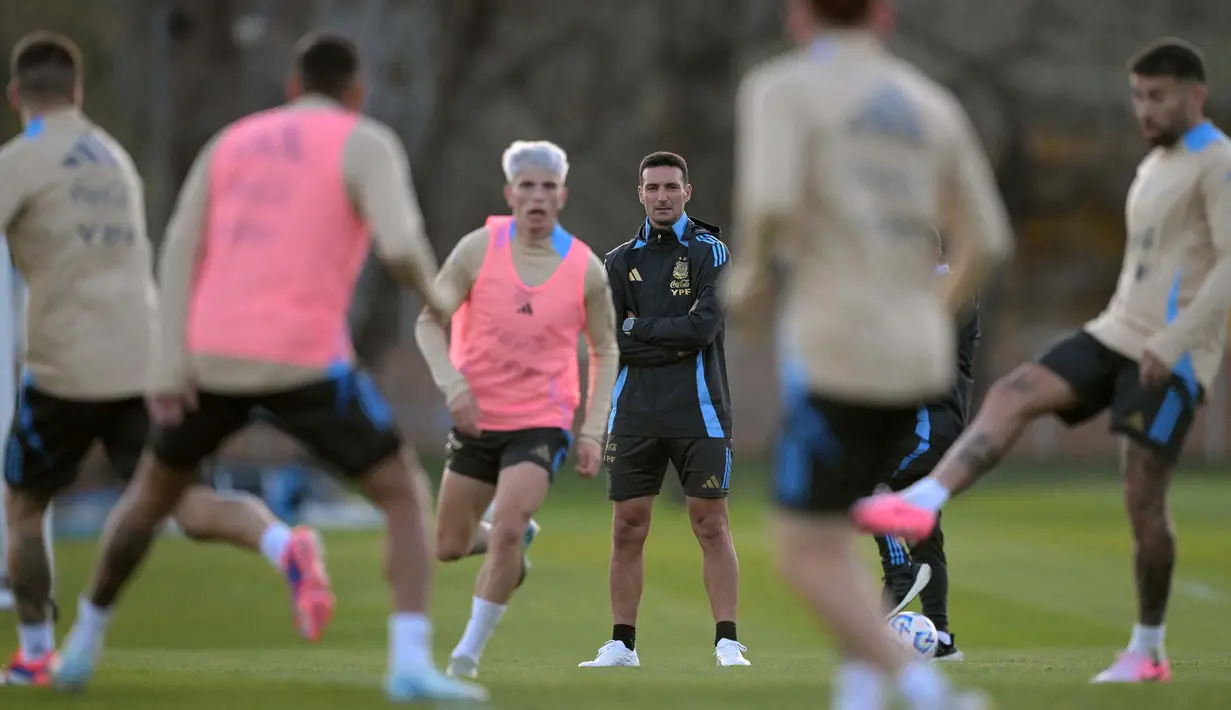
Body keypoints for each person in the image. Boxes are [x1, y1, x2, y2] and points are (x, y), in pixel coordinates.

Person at [49, 32, 486, 703]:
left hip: (209, 356)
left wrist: (168, 364)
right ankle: (407, 664)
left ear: (290, 87)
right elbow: (400, 243)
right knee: (400, 493)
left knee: (149, 498)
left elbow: (176, 250)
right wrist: (441, 302)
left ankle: (79, 648)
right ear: (355, 92)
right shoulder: (364, 139)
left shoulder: (230, 141)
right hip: (303, 359)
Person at [855, 37, 1231, 685]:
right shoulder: (1153, 167)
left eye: (1157, 97)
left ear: (1194, 96)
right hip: (1118, 330)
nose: (1143, 109)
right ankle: (921, 498)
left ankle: (1146, 648)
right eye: (1137, 95)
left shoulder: (1217, 163)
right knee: (1018, 387)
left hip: (1174, 349)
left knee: (1142, 500)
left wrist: (1172, 342)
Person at [0, 31, 323, 687]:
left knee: (25, 507)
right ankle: (282, 543)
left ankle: (36, 653)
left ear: (16, 98)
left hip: (67, 367)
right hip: (147, 360)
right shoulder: (114, 157)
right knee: (190, 504)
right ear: (78, 92)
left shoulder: (21, 158)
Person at [725, 0, 1014, 707]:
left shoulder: (781, 87)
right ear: (883, 16)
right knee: (842, 522)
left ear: (798, 17)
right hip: (916, 360)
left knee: (803, 548)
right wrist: (929, 319)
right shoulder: (931, 102)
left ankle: (924, 688)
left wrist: (749, 279)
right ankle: (858, 689)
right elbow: (990, 239)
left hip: (836, 347)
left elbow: (766, 203)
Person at [415, 140, 618, 679]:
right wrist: (453, 386)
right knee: (449, 546)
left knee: (507, 526)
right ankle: (510, 546)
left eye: (547, 187)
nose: (536, 196)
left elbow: (605, 349)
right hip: (476, 419)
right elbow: (427, 321)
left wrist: (593, 431)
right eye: (526, 186)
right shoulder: (477, 249)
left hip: (543, 421)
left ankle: (466, 658)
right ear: (509, 193)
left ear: (562, 196)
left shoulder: (585, 268)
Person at [578, 151, 748, 668]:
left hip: (700, 411)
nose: (662, 196)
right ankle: (622, 645)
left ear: (687, 192)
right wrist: (658, 336)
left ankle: (727, 642)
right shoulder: (617, 261)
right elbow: (607, 339)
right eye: (652, 188)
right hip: (633, 413)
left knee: (710, 523)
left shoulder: (709, 251)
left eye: (671, 187)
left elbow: (704, 329)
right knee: (628, 525)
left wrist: (639, 327)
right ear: (640, 193)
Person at [873, 230, 979, 663]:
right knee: (925, 530)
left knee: (866, 480)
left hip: (929, 422)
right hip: (915, 422)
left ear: (935, 251)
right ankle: (942, 640)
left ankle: (899, 575)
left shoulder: (951, 291)